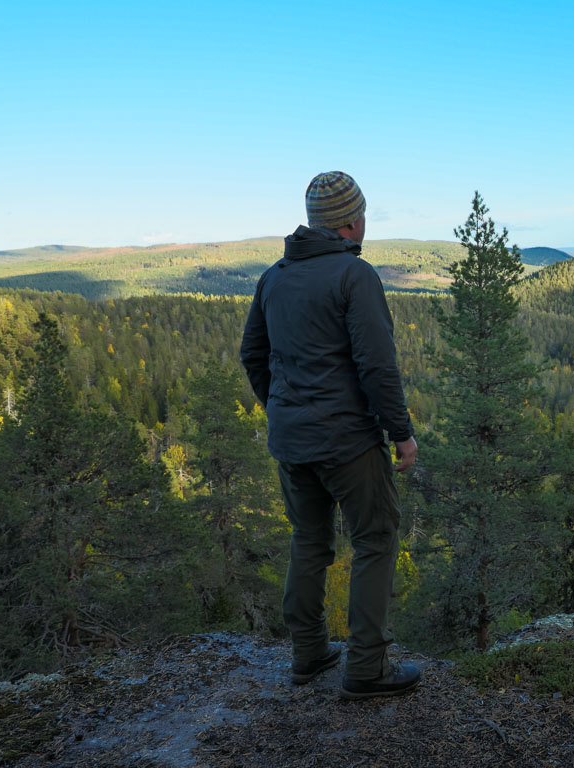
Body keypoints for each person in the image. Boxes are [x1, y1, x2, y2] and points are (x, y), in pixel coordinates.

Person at [240, 171, 421, 699]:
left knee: (309, 539)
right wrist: (401, 434)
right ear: (350, 221)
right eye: (363, 214)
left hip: (292, 442)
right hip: (347, 441)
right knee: (376, 538)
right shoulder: (353, 275)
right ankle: (367, 667)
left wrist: (284, 409)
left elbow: (253, 355)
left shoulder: (274, 276)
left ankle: (308, 653)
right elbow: (377, 366)